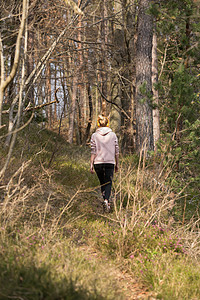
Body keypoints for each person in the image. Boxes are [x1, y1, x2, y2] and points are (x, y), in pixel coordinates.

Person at [90, 115, 119, 212]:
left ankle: (105, 201)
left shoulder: (94, 135)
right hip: (110, 162)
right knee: (108, 182)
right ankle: (107, 200)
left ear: (98, 123)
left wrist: (91, 165)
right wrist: (117, 164)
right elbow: (116, 151)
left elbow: (93, 151)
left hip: (98, 163)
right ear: (107, 123)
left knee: (102, 182)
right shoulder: (113, 135)